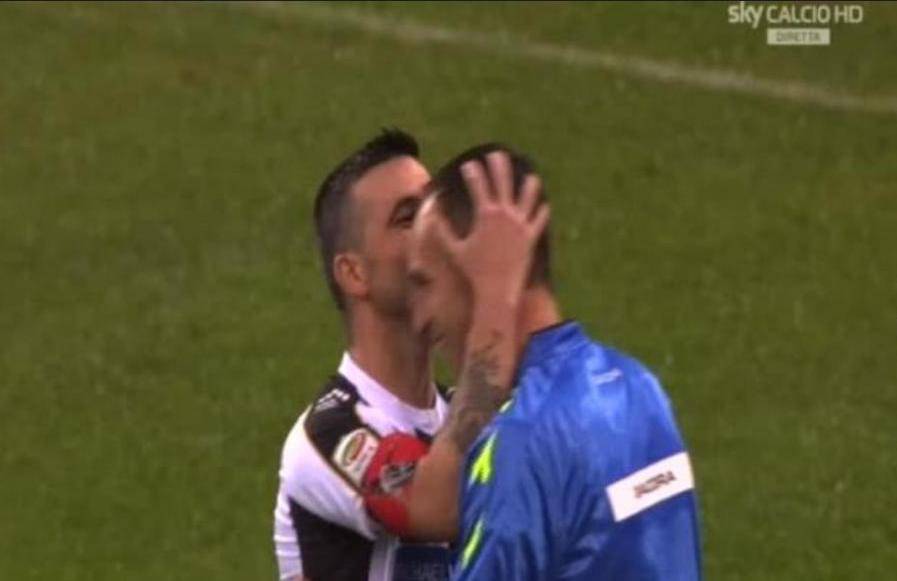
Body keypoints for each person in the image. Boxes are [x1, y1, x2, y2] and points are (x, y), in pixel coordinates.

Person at [408, 145, 703, 580]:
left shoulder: (520, 441)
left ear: (479, 275)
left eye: (424, 283)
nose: (418, 318)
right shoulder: (639, 387)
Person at [273, 129, 452, 581]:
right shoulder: (328, 435)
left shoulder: (463, 414)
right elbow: (431, 506)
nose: (437, 230)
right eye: (408, 218)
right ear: (354, 273)